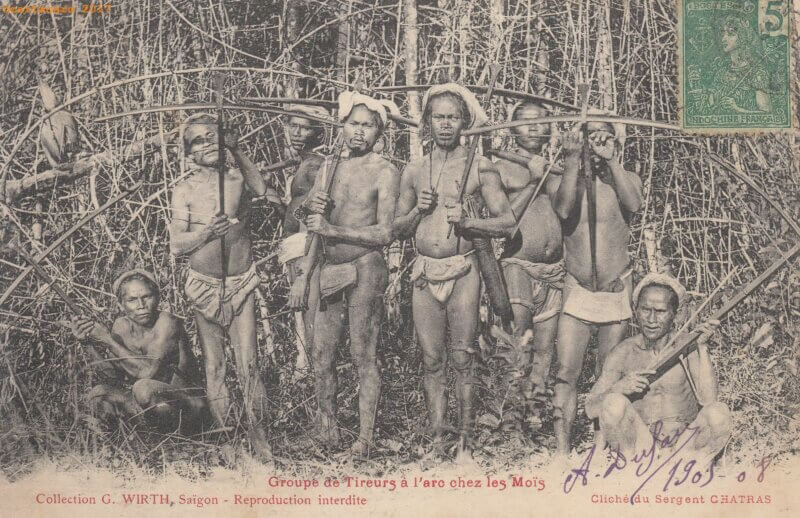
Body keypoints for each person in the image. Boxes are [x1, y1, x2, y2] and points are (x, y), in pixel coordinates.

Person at [393, 84, 515, 460]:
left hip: (464, 271)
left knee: (463, 356)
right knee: (432, 359)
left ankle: (464, 439)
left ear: (465, 122)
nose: (445, 125)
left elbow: (508, 223)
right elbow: (394, 229)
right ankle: (436, 437)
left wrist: (470, 222)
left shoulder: (480, 167)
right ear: (427, 122)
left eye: (453, 117)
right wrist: (418, 211)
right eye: (438, 117)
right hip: (425, 272)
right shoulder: (414, 170)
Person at [289, 92, 400, 458]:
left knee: (361, 355)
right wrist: (311, 211)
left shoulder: (384, 171)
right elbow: (313, 222)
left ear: (378, 132)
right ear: (342, 126)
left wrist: (334, 231)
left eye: (368, 126)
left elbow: (385, 233)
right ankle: (328, 430)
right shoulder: (328, 167)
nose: (359, 132)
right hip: (328, 266)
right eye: (354, 123)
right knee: (322, 354)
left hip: (366, 266)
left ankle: (364, 440)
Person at [169, 113, 272, 461]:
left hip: (241, 280)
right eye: (198, 140)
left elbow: (261, 190)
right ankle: (227, 437)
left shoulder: (237, 177)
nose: (207, 144)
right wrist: (205, 234)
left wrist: (236, 147)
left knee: (249, 363)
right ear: (188, 152)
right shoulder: (184, 188)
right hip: (203, 285)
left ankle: (259, 436)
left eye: (213, 137)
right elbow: (176, 244)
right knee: (215, 366)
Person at [551, 121, 643, 455]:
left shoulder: (624, 179)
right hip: (577, 291)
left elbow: (634, 205)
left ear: (614, 138)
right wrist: (573, 160)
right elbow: (562, 210)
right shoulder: (566, 179)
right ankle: (561, 452)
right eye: (591, 135)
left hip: (614, 291)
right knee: (566, 373)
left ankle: (601, 446)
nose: (597, 141)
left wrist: (613, 160)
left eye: (604, 134)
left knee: (609, 374)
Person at [585, 273, 732, 463]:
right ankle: (641, 468)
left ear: (675, 314)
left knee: (719, 413)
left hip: (684, 448)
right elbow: (591, 408)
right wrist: (619, 388)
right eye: (645, 309)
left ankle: (683, 469)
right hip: (642, 449)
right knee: (613, 402)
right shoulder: (623, 352)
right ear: (635, 310)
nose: (651, 319)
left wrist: (702, 347)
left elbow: (709, 400)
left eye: (660, 311)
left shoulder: (686, 346)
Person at [495, 101, 564, 430]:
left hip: (554, 272)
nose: (536, 128)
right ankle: (511, 415)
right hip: (519, 266)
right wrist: (533, 180)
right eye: (527, 122)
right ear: (511, 129)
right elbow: (504, 221)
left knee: (545, 349)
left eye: (542, 122)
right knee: (519, 343)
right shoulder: (500, 166)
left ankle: (534, 413)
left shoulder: (556, 167)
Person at [70, 270, 207, 433]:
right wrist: (87, 342)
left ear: (157, 298)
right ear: (121, 305)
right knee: (97, 394)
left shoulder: (167, 323)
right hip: (149, 404)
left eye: (146, 297)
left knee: (143, 388)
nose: (141, 305)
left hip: (188, 406)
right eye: (132, 300)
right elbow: (112, 378)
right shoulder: (121, 326)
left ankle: (177, 437)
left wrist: (107, 339)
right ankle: (141, 437)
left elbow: (148, 372)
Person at [278, 105, 328, 377]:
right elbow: (300, 208)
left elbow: (316, 211)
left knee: (307, 312)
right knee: (301, 316)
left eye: (305, 127)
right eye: (293, 126)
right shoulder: (304, 163)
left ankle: (311, 378)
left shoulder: (316, 165)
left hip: (305, 246)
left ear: (317, 132)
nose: (297, 133)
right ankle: (307, 376)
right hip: (295, 245)